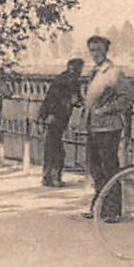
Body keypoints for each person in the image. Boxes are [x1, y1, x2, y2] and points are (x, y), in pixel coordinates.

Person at [81, 36, 134, 220]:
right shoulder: (95, 72)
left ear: (106, 50)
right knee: (95, 169)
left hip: (109, 127)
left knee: (109, 168)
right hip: (93, 127)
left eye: (98, 50)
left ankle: (113, 210)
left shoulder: (114, 72)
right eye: (92, 50)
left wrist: (105, 110)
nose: (95, 54)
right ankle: (99, 206)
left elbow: (127, 97)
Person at [37, 58, 83, 187]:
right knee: (57, 150)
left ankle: (47, 177)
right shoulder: (73, 81)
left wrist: (43, 115)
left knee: (50, 147)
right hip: (58, 117)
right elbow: (75, 101)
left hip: (49, 116)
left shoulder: (59, 78)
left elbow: (49, 98)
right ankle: (55, 178)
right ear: (76, 69)